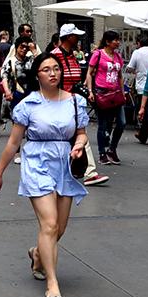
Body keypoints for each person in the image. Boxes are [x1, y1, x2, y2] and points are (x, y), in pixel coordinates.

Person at [0, 52, 88, 297]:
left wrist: (79, 144)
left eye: (56, 68)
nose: (53, 73)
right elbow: (13, 143)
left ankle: (37, 254)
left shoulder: (75, 102)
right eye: (46, 69)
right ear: (37, 75)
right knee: (50, 224)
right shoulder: (28, 105)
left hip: (64, 164)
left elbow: (81, 133)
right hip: (37, 162)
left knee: (59, 228)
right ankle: (52, 282)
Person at [51, 24, 109, 187]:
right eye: (75, 36)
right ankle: (81, 171)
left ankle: (88, 171)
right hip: (59, 103)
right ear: (69, 37)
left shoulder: (72, 55)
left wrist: (81, 90)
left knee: (79, 134)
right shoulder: (54, 56)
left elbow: (75, 78)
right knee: (69, 136)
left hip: (73, 102)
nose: (78, 39)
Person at [84, 30, 125, 165]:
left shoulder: (118, 56)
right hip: (101, 92)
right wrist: (90, 91)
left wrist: (122, 91)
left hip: (116, 93)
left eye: (118, 40)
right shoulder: (98, 54)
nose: (118, 42)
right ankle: (102, 153)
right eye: (115, 40)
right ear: (107, 42)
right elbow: (89, 73)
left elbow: (120, 76)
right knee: (103, 124)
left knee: (121, 123)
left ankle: (112, 149)